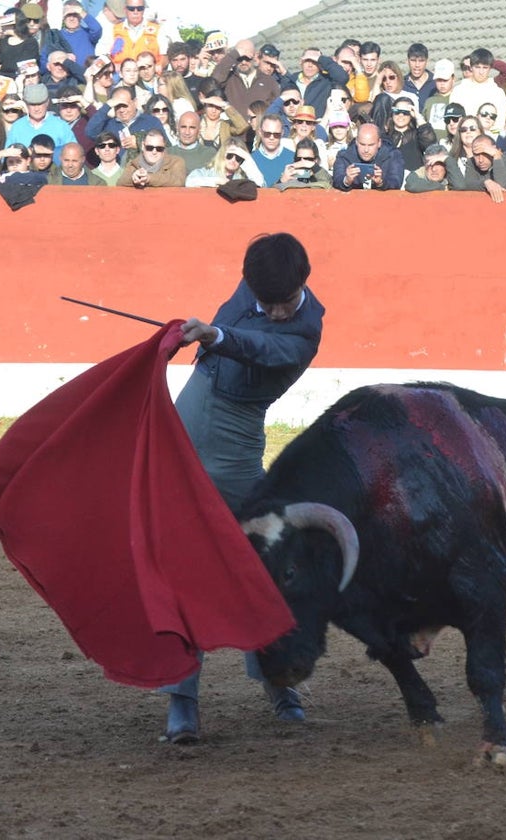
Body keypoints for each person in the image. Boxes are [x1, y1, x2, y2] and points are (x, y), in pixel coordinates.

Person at [161, 232, 325, 745]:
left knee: (271, 565)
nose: (276, 312)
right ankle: (182, 701)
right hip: (187, 425)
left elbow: (264, 348)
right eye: (265, 302)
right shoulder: (258, 279)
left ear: (303, 283)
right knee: (186, 567)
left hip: (235, 445)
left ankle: (278, 679)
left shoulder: (306, 328)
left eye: (284, 302)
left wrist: (216, 337)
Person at [331, 122, 402, 190]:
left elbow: (396, 182)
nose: (366, 150)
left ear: (379, 143)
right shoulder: (344, 156)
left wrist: (381, 183)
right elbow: (337, 180)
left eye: (371, 145)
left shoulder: (392, 155)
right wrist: (346, 181)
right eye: (362, 144)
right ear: (356, 142)